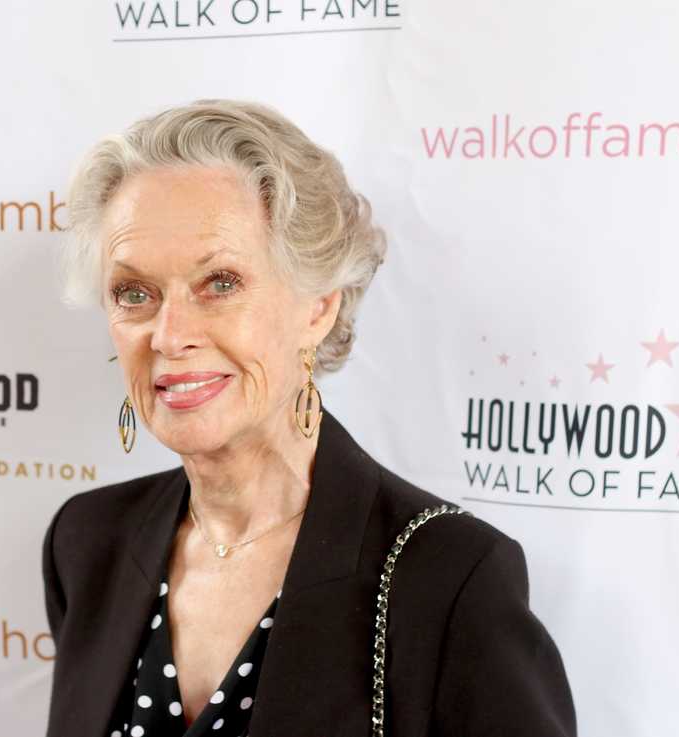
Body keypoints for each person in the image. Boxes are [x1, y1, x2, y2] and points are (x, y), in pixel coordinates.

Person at [42, 99, 577, 737]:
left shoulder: (449, 579)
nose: (169, 334)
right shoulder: (87, 542)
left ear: (319, 305)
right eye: (135, 294)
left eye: (220, 283)